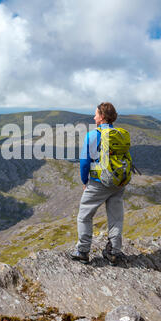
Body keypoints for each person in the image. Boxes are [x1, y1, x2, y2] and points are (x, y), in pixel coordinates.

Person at [69, 102, 126, 265]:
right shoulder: (119, 134)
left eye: (96, 114)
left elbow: (85, 161)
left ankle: (83, 251)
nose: (94, 117)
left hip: (98, 182)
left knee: (84, 216)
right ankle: (114, 252)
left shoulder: (93, 135)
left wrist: (85, 181)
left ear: (102, 117)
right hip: (118, 182)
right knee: (116, 217)